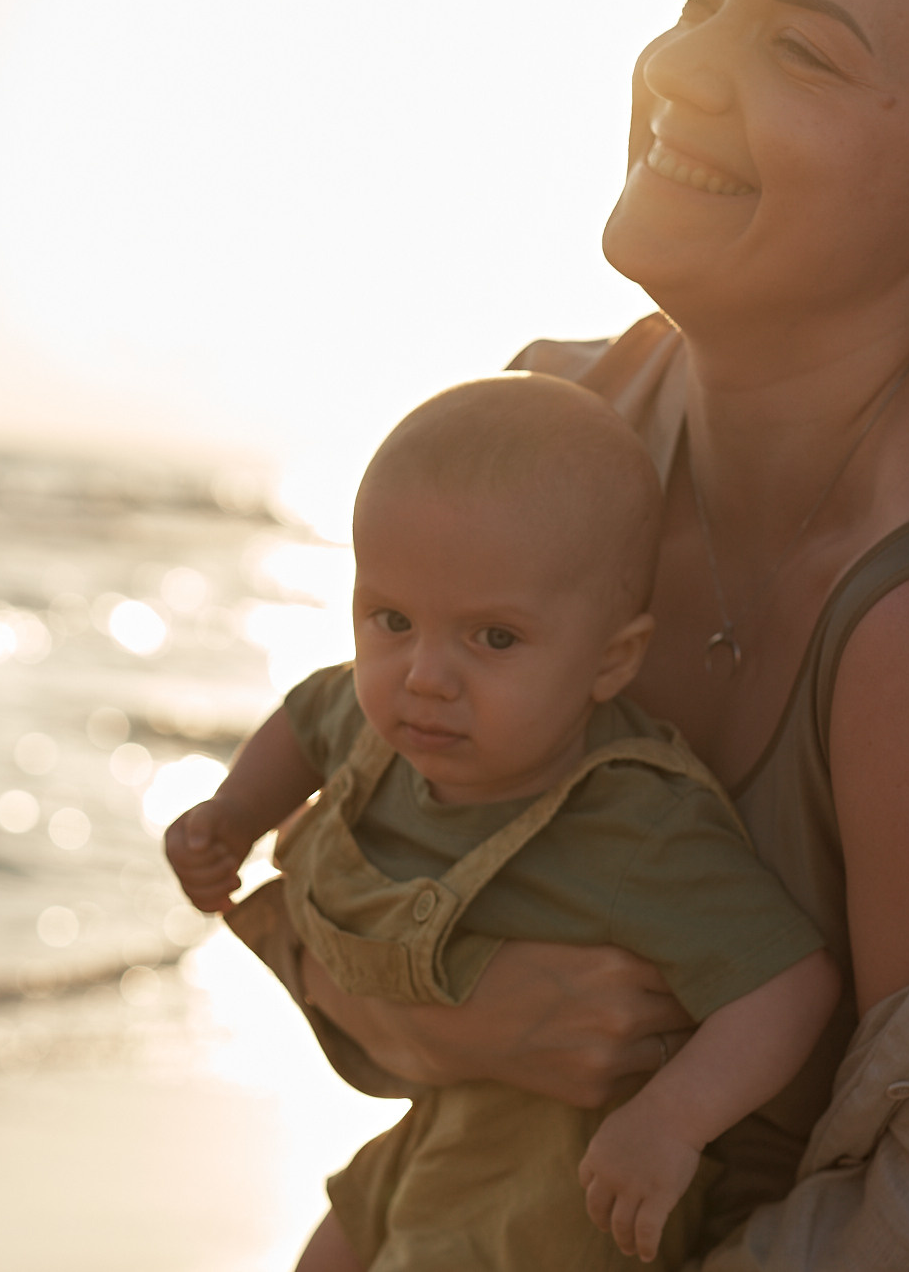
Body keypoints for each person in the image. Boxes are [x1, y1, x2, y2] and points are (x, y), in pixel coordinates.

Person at [197, 0, 909, 1265]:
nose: (682, 65)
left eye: (799, 45)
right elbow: (340, 849)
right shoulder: (562, 436)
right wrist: (469, 1019)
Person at [170, 375, 840, 1270]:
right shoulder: (376, 729)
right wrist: (232, 815)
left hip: (554, 1200)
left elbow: (790, 986)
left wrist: (670, 1119)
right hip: (427, 1137)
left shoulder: (633, 821)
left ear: (612, 659)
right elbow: (305, 719)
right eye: (393, 619)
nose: (425, 676)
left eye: (493, 638)